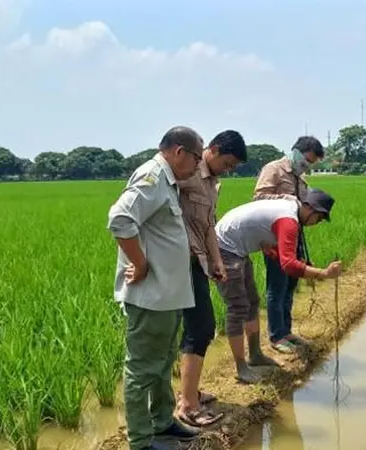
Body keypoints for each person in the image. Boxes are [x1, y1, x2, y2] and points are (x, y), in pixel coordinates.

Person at [107, 126, 204, 450]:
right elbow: (120, 218)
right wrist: (141, 262)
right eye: (196, 157)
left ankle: (162, 422)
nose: (197, 165)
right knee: (141, 369)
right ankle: (140, 441)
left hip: (168, 296)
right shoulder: (151, 176)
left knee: (162, 363)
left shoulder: (168, 181)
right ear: (179, 152)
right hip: (151, 297)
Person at [214, 188, 341, 384]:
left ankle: (255, 355)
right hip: (224, 247)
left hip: (237, 248)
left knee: (252, 302)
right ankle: (241, 368)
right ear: (309, 208)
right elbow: (288, 264)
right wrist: (323, 273)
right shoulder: (288, 220)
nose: (317, 223)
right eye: (319, 217)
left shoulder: (291, 213)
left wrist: (303, 266)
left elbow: (275, 248)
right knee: (238, 307)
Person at [174, 130, 247, 427]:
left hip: (198, 261)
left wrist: (216, 261)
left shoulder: (213, 184)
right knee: (201, 328)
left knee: (198, 328)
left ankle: (189, 393)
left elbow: (208, 225)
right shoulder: (185, 174)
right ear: (213, 150)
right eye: (227, 163)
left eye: (232, 167)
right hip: (179, 262)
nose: (228, 170)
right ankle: (188, 405)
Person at [253, 136, 325, 354]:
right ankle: (276, 336)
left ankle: (287, 331)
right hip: (274, 240)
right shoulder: (273, 169)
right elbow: (258, 199)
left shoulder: (301, 179)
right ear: (296, 152)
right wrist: (287, 200)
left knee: (290, 286)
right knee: (277, 287)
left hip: (294, 237)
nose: (307, 166)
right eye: (306, 161)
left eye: (311, 164)